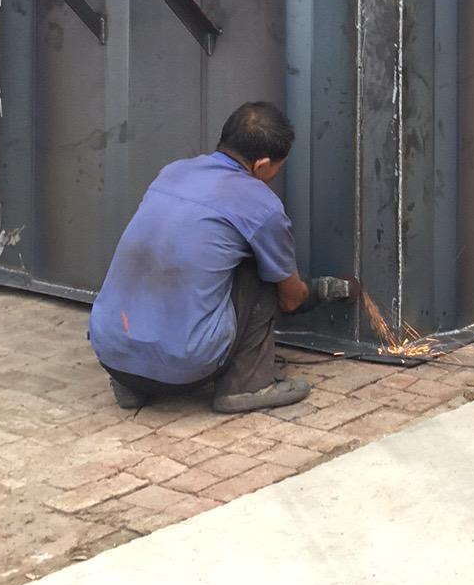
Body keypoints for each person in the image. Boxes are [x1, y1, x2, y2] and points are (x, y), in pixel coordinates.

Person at [88, 101, 356, 414]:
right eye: (277, 168)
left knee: (160, 255)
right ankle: (248, 385)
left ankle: (133, 385)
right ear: (262, 165)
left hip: (112, 355)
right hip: (187, 367)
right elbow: (290, 299)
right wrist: (320, 290)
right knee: (262, 268)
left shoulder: (172, 173)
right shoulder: (261, 205)